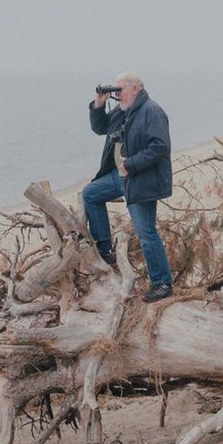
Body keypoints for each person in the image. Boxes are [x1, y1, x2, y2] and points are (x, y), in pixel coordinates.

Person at [82, 71, 174, 302]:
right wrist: (98, 105)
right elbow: (100, 128)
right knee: (90, 194)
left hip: (140, 179)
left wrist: (130, 165)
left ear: (135, 89)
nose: (117, 94)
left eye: (120, 90)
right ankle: (105, 250)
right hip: (118, 177)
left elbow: (160, 146)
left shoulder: (152, 111)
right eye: (115, 90)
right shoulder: (124, 110)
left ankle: (162, 283)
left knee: (146, 233)